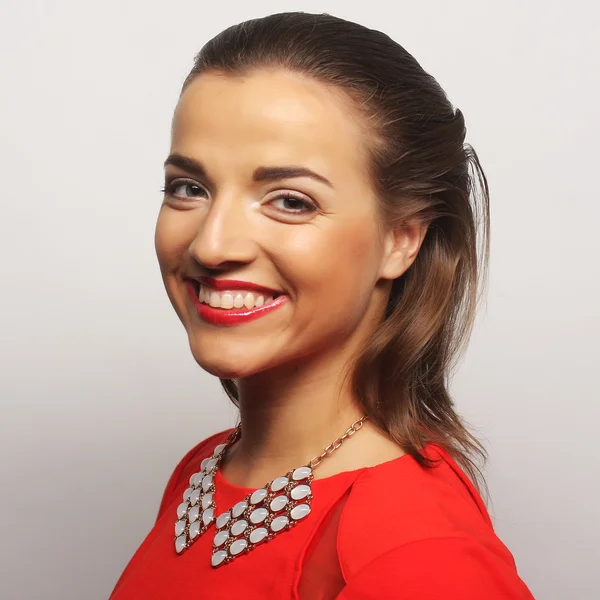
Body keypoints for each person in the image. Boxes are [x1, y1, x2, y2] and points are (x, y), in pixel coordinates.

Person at [109, 11, 535, 600]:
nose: (211, 244)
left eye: (290, 200)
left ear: (401, 239)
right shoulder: (206, 472)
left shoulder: (419, 553)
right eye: (190, 188)